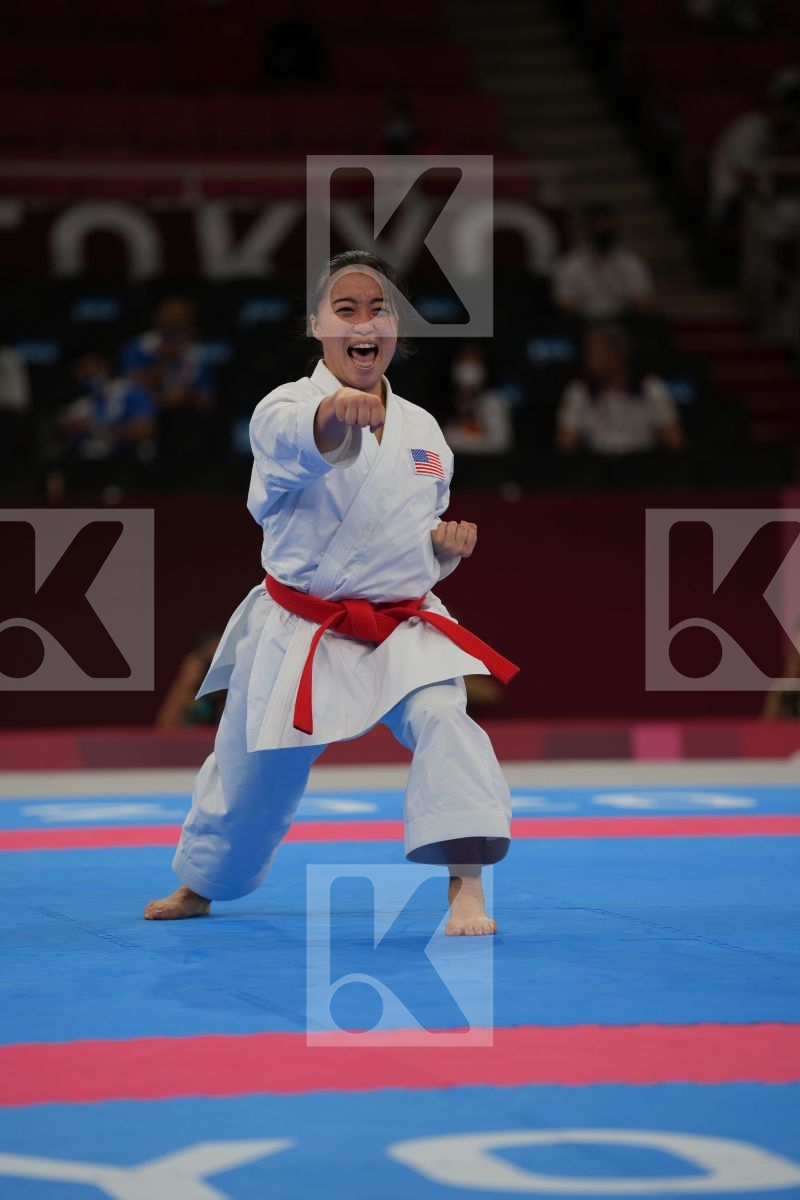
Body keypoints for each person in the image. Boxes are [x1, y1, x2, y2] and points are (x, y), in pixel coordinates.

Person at [144, 250, 517, 935]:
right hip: (303, 629)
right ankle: (202, 883)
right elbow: (290, 442)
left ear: (397, 329)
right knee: (251, 777)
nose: (363, 322)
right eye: (345, 310)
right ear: (316, 325)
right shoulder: (285, 407)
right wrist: (332, 419)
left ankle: (466, 887)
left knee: (447, 721)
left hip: (401, 626)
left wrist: (441, 550)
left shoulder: (426, 431)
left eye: (379, 310)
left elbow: (401, 537)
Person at [556, 323, 685, 456]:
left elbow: (675, 440)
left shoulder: (650, 387)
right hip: (597, 467)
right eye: (588, 356)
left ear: (616, 354)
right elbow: (566, 443)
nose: (590, 362)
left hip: (642, 466)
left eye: (596, 355)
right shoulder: (579, 389)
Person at [121, 296, 215, 462]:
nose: (176, 322)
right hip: (147, 410)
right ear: (157, 317)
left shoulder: (198, 352)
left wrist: (187, 396)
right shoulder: (138, 346)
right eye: (171, 315)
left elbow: (207, 398)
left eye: (181, 316)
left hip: (184, 415)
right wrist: (166, 358)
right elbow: (132, 388)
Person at [709, 67, 800, 226]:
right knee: (785, 213)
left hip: (755, 200)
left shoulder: (778, 135)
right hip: (731, 201)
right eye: (789, 109)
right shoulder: (750, 129)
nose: (792, 116)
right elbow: (745, 179)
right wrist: (773, 203)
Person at [553, 205, 654, 319]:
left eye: (608, 226)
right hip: (583, 320)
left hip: (622, 319)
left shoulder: (631, 262)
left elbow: (642, 301)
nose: (603, 230)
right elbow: (564, 304)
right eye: (599, 225)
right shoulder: (569, 263)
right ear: (588, 228)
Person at [55, 352, 156, 462]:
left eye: (91, 372)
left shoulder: (131, 392)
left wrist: (98, 428)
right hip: (85, 464)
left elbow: (144, 430)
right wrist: (71, 426)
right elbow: (61, 429)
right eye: (79, 371)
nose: (83, 373)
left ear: (104, 366)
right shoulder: (80, 401)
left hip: (126, 462)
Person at [441, 343, 513, 456]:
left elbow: (499, 442)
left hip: (487, 466)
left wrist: (460, 440)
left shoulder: (494, 401)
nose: (468, 366)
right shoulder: (448, 401)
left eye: (474, 360)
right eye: (463, 359)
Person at [156, 631, 225, 729]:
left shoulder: (238, 692)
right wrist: (183, 685)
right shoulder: (192, 697)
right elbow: (162, 734)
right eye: (210, 662)